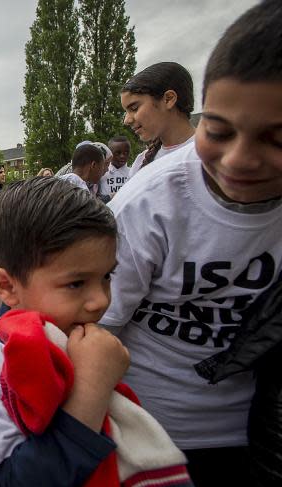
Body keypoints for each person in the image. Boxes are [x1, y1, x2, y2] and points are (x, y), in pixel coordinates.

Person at [101, 2, 282, 484]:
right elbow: (97, 326)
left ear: (170, 99)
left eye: (276, 139)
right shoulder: (149, 202)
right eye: (218, 131)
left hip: (260, 435)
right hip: (154, 435)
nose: (240, 159)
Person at [0, 177, 190, 487]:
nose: (100, 300)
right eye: (76, 284)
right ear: (7, 286)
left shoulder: (67, 337)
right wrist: (92, 390)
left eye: (107, 277)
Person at [122, 62, 196, 179]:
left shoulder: (213, 155)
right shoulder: (140, 163)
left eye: (134, 108)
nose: (126, 120)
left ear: (168, 99)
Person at [98, 135, 132, 200]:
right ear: (110, 153)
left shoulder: (132, 173)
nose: (122, 156)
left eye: (126, 153)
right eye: (117, 153)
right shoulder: (102, 173)